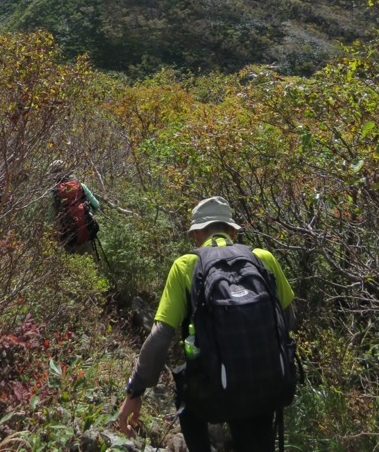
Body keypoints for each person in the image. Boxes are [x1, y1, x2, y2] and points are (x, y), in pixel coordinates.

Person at [116, 196, 296, 452]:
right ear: (233, 230)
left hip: (215, 395)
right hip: (269, 385)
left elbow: (160, 337)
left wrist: (135, 391)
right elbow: (288, 320)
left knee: (184, 385)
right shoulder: (263, 258)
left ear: (196, 234)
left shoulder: (185, 266)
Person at [49, 159, 100, 252]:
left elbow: (51, 218)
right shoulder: (80, 186)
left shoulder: (54, 193)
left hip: (67, 239)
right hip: (87, 234)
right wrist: (86, 214)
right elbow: (96, 205)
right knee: (91, 264)